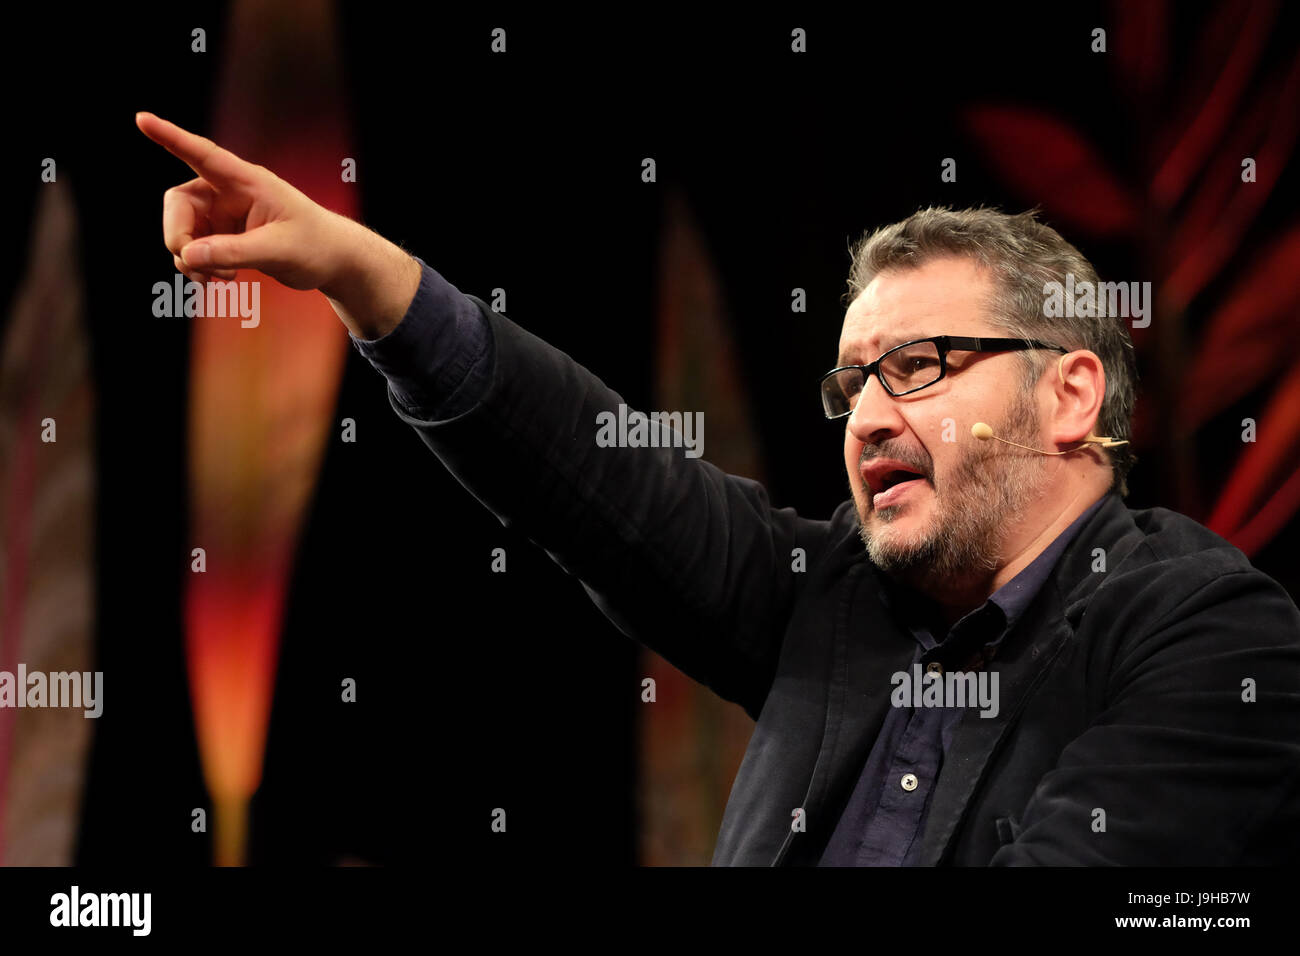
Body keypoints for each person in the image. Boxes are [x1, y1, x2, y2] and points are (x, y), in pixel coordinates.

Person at [136, 112, 1300, 866]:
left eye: (919, 367)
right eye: (853, 383)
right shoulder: (834, 595)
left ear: (1071, 395)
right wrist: (358, 270)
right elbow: (597, 474)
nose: (871, 417)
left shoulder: (1208, 632)